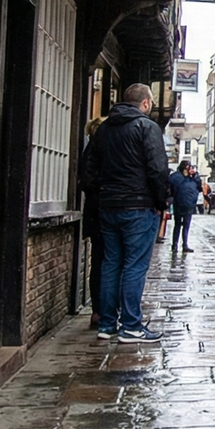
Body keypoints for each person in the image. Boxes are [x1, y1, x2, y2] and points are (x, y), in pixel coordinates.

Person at [80, 83, 170, 343]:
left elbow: (89, 168)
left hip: (108, 207)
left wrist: (105, 193)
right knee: (134, 265)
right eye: (150, 103)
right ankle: (131, 325)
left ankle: (107, 324)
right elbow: (157, 169)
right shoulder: (146, 127)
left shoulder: (104, 129)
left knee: (111, 263)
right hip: (139, 207)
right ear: (145, 103)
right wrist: (160, 201)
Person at [80, 115, 107, 329]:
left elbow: (85, 180)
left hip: (93, 212)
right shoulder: (102, 152)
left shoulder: (88, 150)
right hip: (105, 211)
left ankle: (98, 311)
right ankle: (105, 310)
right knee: (111, 261)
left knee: (97, 261)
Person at [168, 160, 206, 253]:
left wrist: (195, 175)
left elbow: (199, 186)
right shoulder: (177, 177)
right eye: (188, 167)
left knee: (186, 225)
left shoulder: (192, 178)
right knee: (178, 225)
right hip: (179, 203)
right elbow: (171, 187)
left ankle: (184, 245)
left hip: (189, 204)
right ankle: (175, 245)